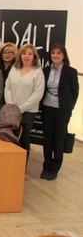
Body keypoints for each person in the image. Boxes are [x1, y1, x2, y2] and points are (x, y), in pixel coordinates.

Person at [40, 44, 79, 180]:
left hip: (62, 110)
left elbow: (75, 92)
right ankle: (46, 165)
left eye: (58, 53)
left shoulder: (71, 72)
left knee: (59, 138)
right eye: (53, 53)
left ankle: (55, 167)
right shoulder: (45, 70)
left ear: (63, 56)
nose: (55, 55)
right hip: (47, 107)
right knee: (47, 137)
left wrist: (69, 107)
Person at [4, 43, 45, 158]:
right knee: (10, 138)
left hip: (28, 112)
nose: (26, 56)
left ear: (34, 57)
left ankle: (22, 167)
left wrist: (20, 109)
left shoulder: (38, 72)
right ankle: (10, 164)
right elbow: (7, 88)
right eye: (24, 53)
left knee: (24, 139)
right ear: (20, 55)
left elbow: (37, 94)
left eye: (30, 54)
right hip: (12, 110)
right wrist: (11, 105)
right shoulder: (14, 69)